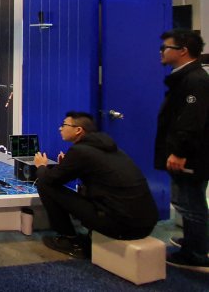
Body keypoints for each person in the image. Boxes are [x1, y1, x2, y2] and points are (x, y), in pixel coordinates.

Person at [34, 111, 159, 259]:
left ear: (78, 130)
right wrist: (66, 166)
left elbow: (50, 180)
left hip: (123, 226)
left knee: (44, 184)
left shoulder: (80, 151)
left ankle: (69, 239)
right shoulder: (110, 149)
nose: (60, 128)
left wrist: (41, 166)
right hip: (146, 223)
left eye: (64, 125)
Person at [155, 29, 209, 270]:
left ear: (183, 51)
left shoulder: (195, 80)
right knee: (187, 199)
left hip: (191, 155)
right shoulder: (185, 78)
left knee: (191, 201)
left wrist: (179, 152)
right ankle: (193, 242)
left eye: (165, 47)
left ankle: (195, 254)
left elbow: (191, 121)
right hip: (187, 152)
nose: (161, 52)